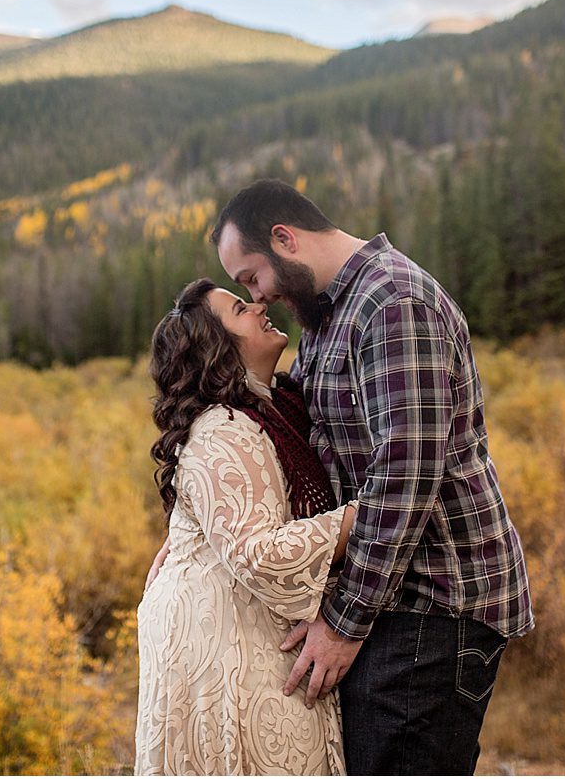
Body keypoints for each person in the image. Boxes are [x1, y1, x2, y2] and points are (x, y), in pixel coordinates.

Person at [210, 178, 534, 775]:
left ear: (285, 239)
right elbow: (291, 431)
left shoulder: (392, 303)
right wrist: (196, 527)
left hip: (434, 600)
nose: (258, 298)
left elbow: (406, 475)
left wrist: (344, 622)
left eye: (252, 277)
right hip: (395, 598)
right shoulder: (328, 316)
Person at [136, 277, 359, 776]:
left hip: (246, 632)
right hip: (229, 651)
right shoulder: (224, 429)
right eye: (240, 309)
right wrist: (368, 516)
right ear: (219, 350)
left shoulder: (274, 408)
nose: (259, 306)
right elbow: (259, 553)